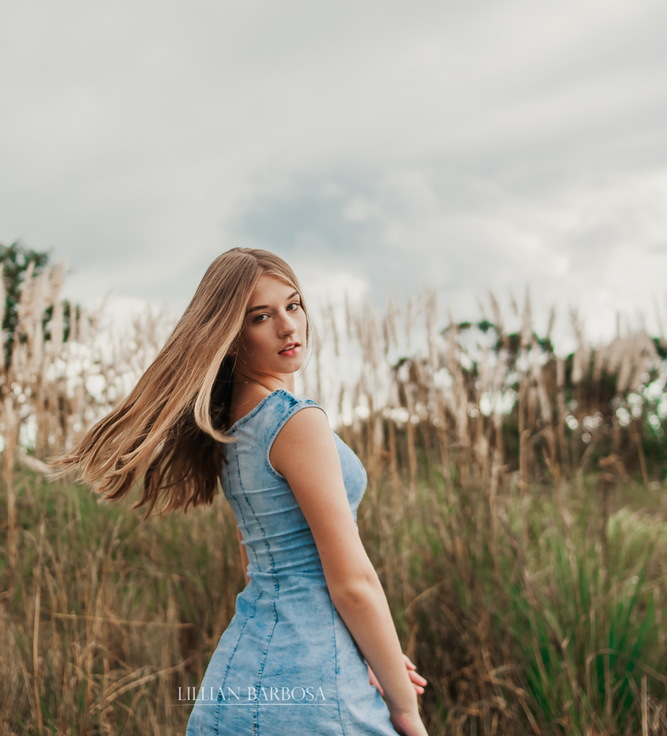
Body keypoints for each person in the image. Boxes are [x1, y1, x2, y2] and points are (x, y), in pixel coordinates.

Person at [52, 247, 428, 735]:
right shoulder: (296, 422)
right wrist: (405, 710)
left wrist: (369, 650)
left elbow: (262, 562)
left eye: (293, 306)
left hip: (235, 686)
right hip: (314, 694)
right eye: (261, 316)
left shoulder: (230, 425)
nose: (289, 327)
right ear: (230, 337)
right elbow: (352, 582)